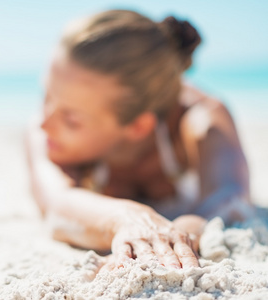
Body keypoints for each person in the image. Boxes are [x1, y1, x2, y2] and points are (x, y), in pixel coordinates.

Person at [25, 9, 255, 269]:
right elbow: (57, 203)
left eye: (72, 119)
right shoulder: (50, 131)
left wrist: (182, 234)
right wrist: (127, 219)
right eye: (47, 95)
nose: (44, 123)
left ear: (138, 125)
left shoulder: (200, 120)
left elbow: (229, 194)